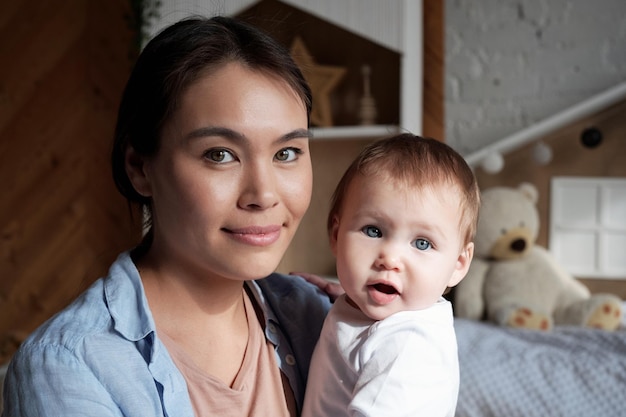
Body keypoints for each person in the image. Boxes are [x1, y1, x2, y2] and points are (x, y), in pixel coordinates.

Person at [2, 16, 333, 417]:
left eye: (287, 153)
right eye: (220, 154)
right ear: (140, 167)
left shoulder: (319, 318)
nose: (263, 195)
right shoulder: (69, 367)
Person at [301, 134, 480, 417]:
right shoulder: (375, 315)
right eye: (374, 231)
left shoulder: (408, 347)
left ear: (458, 264)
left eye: (422, 243)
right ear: (336, 235)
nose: (391, 259)